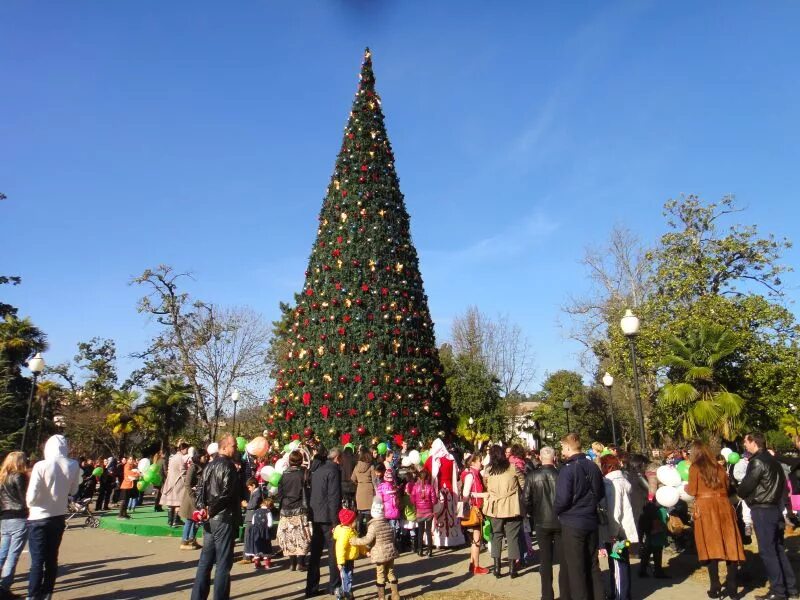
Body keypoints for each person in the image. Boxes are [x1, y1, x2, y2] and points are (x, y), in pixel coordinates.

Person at [738, 432, 798, 600]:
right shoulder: (773, 461)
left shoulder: (757, 461)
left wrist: (746, 496)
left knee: (768, 552)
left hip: (763, 510)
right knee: (778, 549)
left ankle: (778, 591)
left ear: (753, 442)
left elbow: (745, 487)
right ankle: (790, 588)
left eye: (745, 441)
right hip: (775, 509)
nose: (744, 444)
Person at [687, 440, 745, 600]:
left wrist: (686, 487)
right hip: (724, 505)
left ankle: (715, 585)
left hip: (705, 508)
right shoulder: (719, 467)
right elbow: (727, 487)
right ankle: (732, 585)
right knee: (730, 544)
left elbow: (692, 490)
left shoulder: (695, 468)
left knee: (710, 545)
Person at [25, 435, 80, 600]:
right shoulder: (73, 464)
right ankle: (47, 593)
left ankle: (33, 595)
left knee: (37, 561)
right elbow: (74, 490)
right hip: (58, 517)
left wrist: (34, 503)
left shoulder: (41, 465)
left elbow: (31, 498)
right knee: (51, 558)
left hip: (38, 517)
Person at [553, 433, 605, 600]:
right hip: (590, 519)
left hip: (573, 522)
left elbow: (562, 499)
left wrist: (557, 511)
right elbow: (600, 492)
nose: (561, 450)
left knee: (576, 568)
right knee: (592, 564)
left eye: (562, 447)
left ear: (568, 447)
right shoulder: (593, 466)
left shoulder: (567, 470)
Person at [190, 434, 241, 600]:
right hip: (223, 518)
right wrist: (210, 510)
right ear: (224, 447)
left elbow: (199, 490)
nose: (236, 449)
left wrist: (202, 508)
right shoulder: (228, 467)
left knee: (205, 561)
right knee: (223, 564)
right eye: (233, 446)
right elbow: (227, 494)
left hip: (210, 520)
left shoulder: (209, 466)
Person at [472, 444, 523, 579]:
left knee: (496, 535)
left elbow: (487, 486)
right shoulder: (513, 468)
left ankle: (497, 568)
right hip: (512, 506)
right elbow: (523, 485)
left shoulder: (488, 470)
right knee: (512, 537)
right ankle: (512, 569)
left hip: (495, 507)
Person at [524, 446, 562, 600]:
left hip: (541, 521)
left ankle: (547, 595)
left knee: (545, 560)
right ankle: (565, 592)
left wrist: (533, 513)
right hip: (560, 521)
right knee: (563, 559)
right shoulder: (561, 475)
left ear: (539, 457)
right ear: (554, 458)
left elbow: (526, 499)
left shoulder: (532, 476)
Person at [598, 454, 639, 600]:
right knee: (622, 562)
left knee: (617, 564)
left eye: (602, 465)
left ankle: (620, 595)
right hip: (624, 531)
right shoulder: (622, 481)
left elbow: (615, 511)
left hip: (617, 533)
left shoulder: (611, 483)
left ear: (608, 467)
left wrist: (613, 533)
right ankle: (621, 593)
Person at [306, 448, 343, 598]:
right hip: (328, 517)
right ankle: (334, 585)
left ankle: (311, 587)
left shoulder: (318, 470)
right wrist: (336, 521)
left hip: (316, 515)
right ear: (337, 458)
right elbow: (334, 497)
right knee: (333, 552)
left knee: (315, 553)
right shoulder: (333, 470)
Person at [352, 499, 401, 600]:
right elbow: (392, 538)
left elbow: (368, 539)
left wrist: (356, 541)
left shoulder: (373, 526)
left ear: (373, 512)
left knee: (380, 575)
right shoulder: (388, 524)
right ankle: (396, 595)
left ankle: (381, 597)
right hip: (391, 553)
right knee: (391, 573)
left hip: (380, 555)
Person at [424, 438, 465, 547]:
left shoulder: (431, 460)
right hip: (450, 491)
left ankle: (438, 540)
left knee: (438, 514)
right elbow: (456, 474)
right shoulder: (450, 459)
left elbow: (425, 475)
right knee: (451, 513)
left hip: (437, 491)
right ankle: (453, 538)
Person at [0, 452, 29, 600]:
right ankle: (4, 587)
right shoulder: (20, 476)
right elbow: (25, 497)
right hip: (19, 516)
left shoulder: (2, 476)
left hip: (5, 517)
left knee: (3, 551)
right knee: (13, 554)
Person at [276, 450, 310, 572]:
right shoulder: (304, 474)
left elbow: (279, 494)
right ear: (301, 461)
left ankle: (292, 563)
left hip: (286, 509)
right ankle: (301, 562)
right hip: (300, 508)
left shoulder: (284, 475)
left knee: (288, 536)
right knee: (301, 536)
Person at [460, 453, 489, 575]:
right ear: (472, 463)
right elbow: (466, 495)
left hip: (477, 508)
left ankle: (473, 564)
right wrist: (482, 495)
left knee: (476, 539)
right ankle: (476, 566)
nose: (481, 463)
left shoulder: (475, 474)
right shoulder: (470, 476)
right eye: (479, 461)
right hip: (474, 510)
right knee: (476, 539)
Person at [179, 449, 207, 550]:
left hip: (199, 497)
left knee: (197, 519)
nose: (206, 458)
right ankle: (184, 541)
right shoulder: (193, 467)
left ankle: (192, 539)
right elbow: (187, 484)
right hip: (191, 498)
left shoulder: (203, 466)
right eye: (204, 456)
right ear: (199, 457)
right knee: (190, 520)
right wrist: (193, 495)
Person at [333, 508, 359, 600]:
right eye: (355, 520)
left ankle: (343, 592)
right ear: (349, 522)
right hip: (345, 560)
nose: (356, 522)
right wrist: (340, 562)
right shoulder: (345, 533)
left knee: (348, 577)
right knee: (347, 578)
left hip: (350, 558)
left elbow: (357, 542)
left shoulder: (352, 530)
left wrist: (365, 551)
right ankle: (346, 594)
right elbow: (340, 548)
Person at [162, 442, 189, 528]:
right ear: (183, 449)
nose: (187, 451)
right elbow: (182, 470)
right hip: (178, 482)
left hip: (170, 481)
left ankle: (170, 520)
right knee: (178, 502)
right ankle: (176, 520)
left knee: (171, 503)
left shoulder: (172, 457)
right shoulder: (181, 458)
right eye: (186, 449)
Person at [410, 469, 436, 557]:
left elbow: (412, 499)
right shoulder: (430, 487)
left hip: (419, 512)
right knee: (428, 531)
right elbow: (434, 501)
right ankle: (430, 551)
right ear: (428, 477)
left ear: (419, 477)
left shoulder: (415, 487)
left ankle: (420, 550)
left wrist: (416, 504)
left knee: (420, 531)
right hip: (429, 511)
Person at [246, 496, 274, 569]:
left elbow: (253, 522)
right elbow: (270, 523)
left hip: (255, 531)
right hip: (264, 531)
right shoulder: (268, 512)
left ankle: (257, 563)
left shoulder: (256, 511)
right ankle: (267, 564)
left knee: (257, 546)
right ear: (270, 506)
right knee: (266, 546)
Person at [351, 449, 375, 536]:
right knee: (369, 515)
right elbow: (374, 480)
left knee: (360, 513)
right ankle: (369, 535)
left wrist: (359, 483)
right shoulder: (371, 466)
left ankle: (359, 533)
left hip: (360, 489)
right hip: (369, 489)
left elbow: (352, 478)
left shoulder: (357, 466)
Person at [240, 477, 263, 565]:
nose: (248, 489)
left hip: (252, 517)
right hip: (252, 517)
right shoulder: (255, 492)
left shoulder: (257, 493)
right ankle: (254, 555)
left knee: (248, 537)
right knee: (252, 537)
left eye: (249, 487)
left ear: (253, 485)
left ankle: (247, 556)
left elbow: (253, 505)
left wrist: (246, 505)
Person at [375, 469, 401, 548]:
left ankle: (385, 545)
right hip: (394, 511)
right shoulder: (394, 487)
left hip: (384, 511)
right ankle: (393, 545)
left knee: (384, 530)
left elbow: (378, 499)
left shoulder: (381, 487)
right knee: (393, 529)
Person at [117, 455, 136, 519]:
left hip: (130, 485)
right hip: (126, 485)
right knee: (124, 501)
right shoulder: (127, 465)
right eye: (130, 459)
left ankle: (125, 514)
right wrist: (138, 473)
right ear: (128, 460)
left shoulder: (133, 466)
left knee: (127, 500)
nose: (131, 460)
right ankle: (120, 515)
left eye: (132, 459)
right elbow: (129, 473)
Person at [340, 444, 357, 508]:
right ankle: (353, 513)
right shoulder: (354, 458)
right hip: (352, 482)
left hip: (343, 482)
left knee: (345, 501)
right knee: (353, 500)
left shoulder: (341, 458)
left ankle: (346, 515)